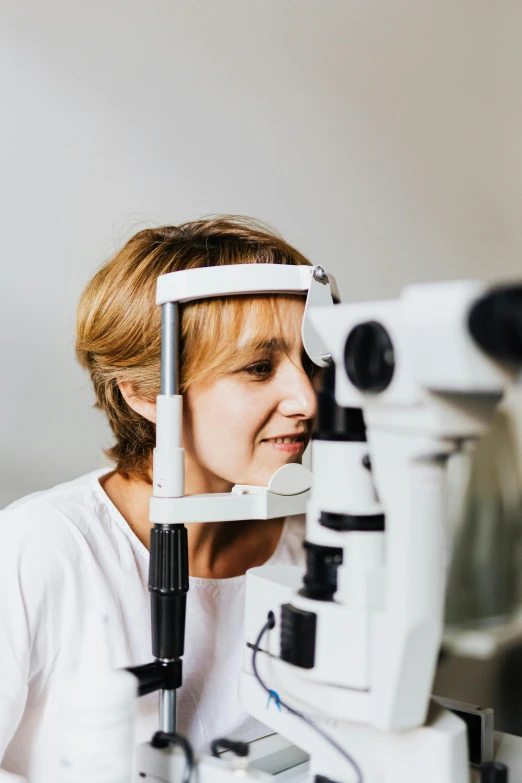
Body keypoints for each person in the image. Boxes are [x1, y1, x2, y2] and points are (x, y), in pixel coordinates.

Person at [0, 216, 318, 782]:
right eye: (258, 367)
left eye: (309, 360)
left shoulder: (317, 543)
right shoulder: (41, 548)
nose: (306, 397)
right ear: (146, 392)